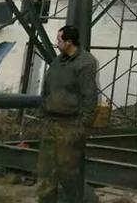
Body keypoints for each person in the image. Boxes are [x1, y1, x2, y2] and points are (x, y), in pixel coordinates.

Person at [37, 25, 98, 203]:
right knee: (45, 171)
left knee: (68, 172)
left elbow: (90, 97)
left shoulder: (85, 63)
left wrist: (82, 126)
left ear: (69, 42)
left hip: (70, 125)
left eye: (59, 40)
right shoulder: (57, 62)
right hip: (51, 122)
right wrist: (43, 109)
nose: (56, 43)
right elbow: (47, 88)